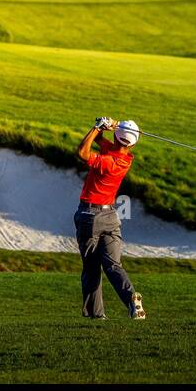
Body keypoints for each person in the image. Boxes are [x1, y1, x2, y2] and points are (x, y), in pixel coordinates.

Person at [74, 117, 147, 320]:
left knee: (91, 267)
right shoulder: (125, 158)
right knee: (113, 265)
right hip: (111, 217)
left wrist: (97, 127)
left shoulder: (109, 162)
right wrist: (108, 127)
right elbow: (102, 142)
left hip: (90, 216)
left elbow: (83, 152)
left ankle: (95, 315)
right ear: (132, 143)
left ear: (118, 138)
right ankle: (131, 298)